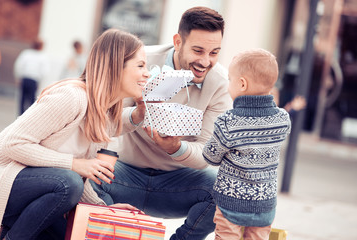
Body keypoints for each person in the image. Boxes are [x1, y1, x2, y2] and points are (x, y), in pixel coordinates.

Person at [91, 6, 233, 240]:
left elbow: (207, 153)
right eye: (198, 50)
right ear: (178, 42)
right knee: (87, 174)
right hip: (124, 174)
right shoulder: (141, 60)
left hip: (178, 183)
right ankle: (112, 233)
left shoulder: (220, 84)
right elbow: (105, 119)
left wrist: (176, 148)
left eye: (214, 53)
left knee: (226, 190)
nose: (205, 61)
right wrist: (137, 114)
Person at [0, 29, 150, 240]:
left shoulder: (103, 113)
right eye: (140, 65)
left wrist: (104, 208)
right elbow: (11, 144)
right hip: (4, 184)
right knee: (69, 182)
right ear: (115, 67)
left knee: (75, 232)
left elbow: (72, 181)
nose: (147, 73)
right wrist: (74, 164)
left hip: (37, 194)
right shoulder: (72, 97)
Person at [202, 49, 291, 240]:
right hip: (265, 204)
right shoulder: (283, 119)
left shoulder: (229, 121)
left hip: (231, 203)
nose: (228, 85)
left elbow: (210, 157)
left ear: (241, 84)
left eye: (230, 79)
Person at [14, 39, 50, 115]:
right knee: (31, 100)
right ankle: (29, 115)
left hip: (25, 78)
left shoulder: (26, 53)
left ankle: (20, 115)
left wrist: (18, 77)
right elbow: (44, 71)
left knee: (22, 99)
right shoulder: (43, 56)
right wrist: (41, 82)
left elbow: (19, 65)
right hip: (34, 80)